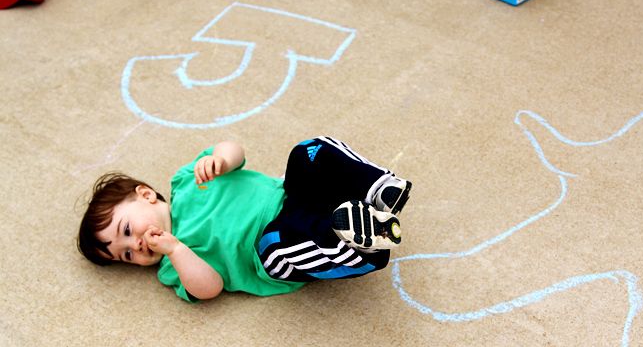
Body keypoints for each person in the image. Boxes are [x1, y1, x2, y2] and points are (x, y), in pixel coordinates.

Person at [77, 137, 412, 302]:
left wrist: (221, 159)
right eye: (126, 255)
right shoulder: (171, 266)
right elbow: (209, 288)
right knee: (281, 244)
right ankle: (362, 244)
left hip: (290, 194)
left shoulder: (187, 180)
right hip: (268, 246)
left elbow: (234, 149)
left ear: (146, 195)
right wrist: (177, 250)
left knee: (307, 151)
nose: (136, 245)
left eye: (126, 230)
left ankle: (377, 188)